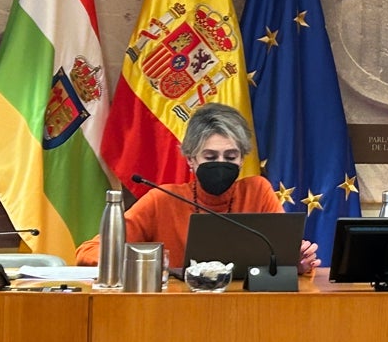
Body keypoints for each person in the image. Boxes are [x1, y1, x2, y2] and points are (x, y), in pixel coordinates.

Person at [76, 103, 320, 272]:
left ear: (242, 159)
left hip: (246, 309)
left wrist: (296, 263)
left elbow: (282, 257)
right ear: (191, 160)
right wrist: (140, 263)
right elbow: (89, 251)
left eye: (230, 156)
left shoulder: (257, 191)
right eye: (210, 157)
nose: (221, 164)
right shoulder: (162, 199)